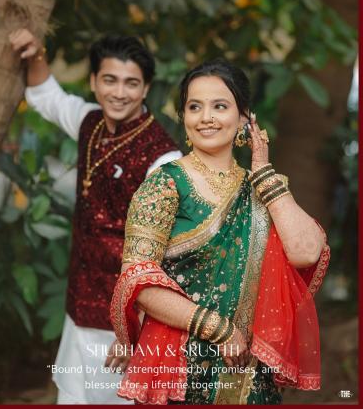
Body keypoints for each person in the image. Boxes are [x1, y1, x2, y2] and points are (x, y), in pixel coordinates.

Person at [110, 59, 330, 405]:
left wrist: (263, 172)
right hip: (181, 369)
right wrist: (219, 329)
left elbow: (306, 252)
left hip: (247, 374)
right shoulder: (164, 185)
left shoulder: (263, 189)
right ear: (183, 117)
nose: (206, 117)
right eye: (194, 107)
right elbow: (138, 281)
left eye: (220, 106)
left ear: (244, 118)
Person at [9, 29, 182, 404]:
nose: (119, 92)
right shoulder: (91, 123)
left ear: (146, 88)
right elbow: (47, 97)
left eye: (131, 83)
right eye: (109, 80)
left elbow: (167, 254)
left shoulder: (164, 159)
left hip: (124, 323)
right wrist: (36, 53)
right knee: (72, 397)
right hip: (79, 308)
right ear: (93, 82)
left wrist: (132, 328)